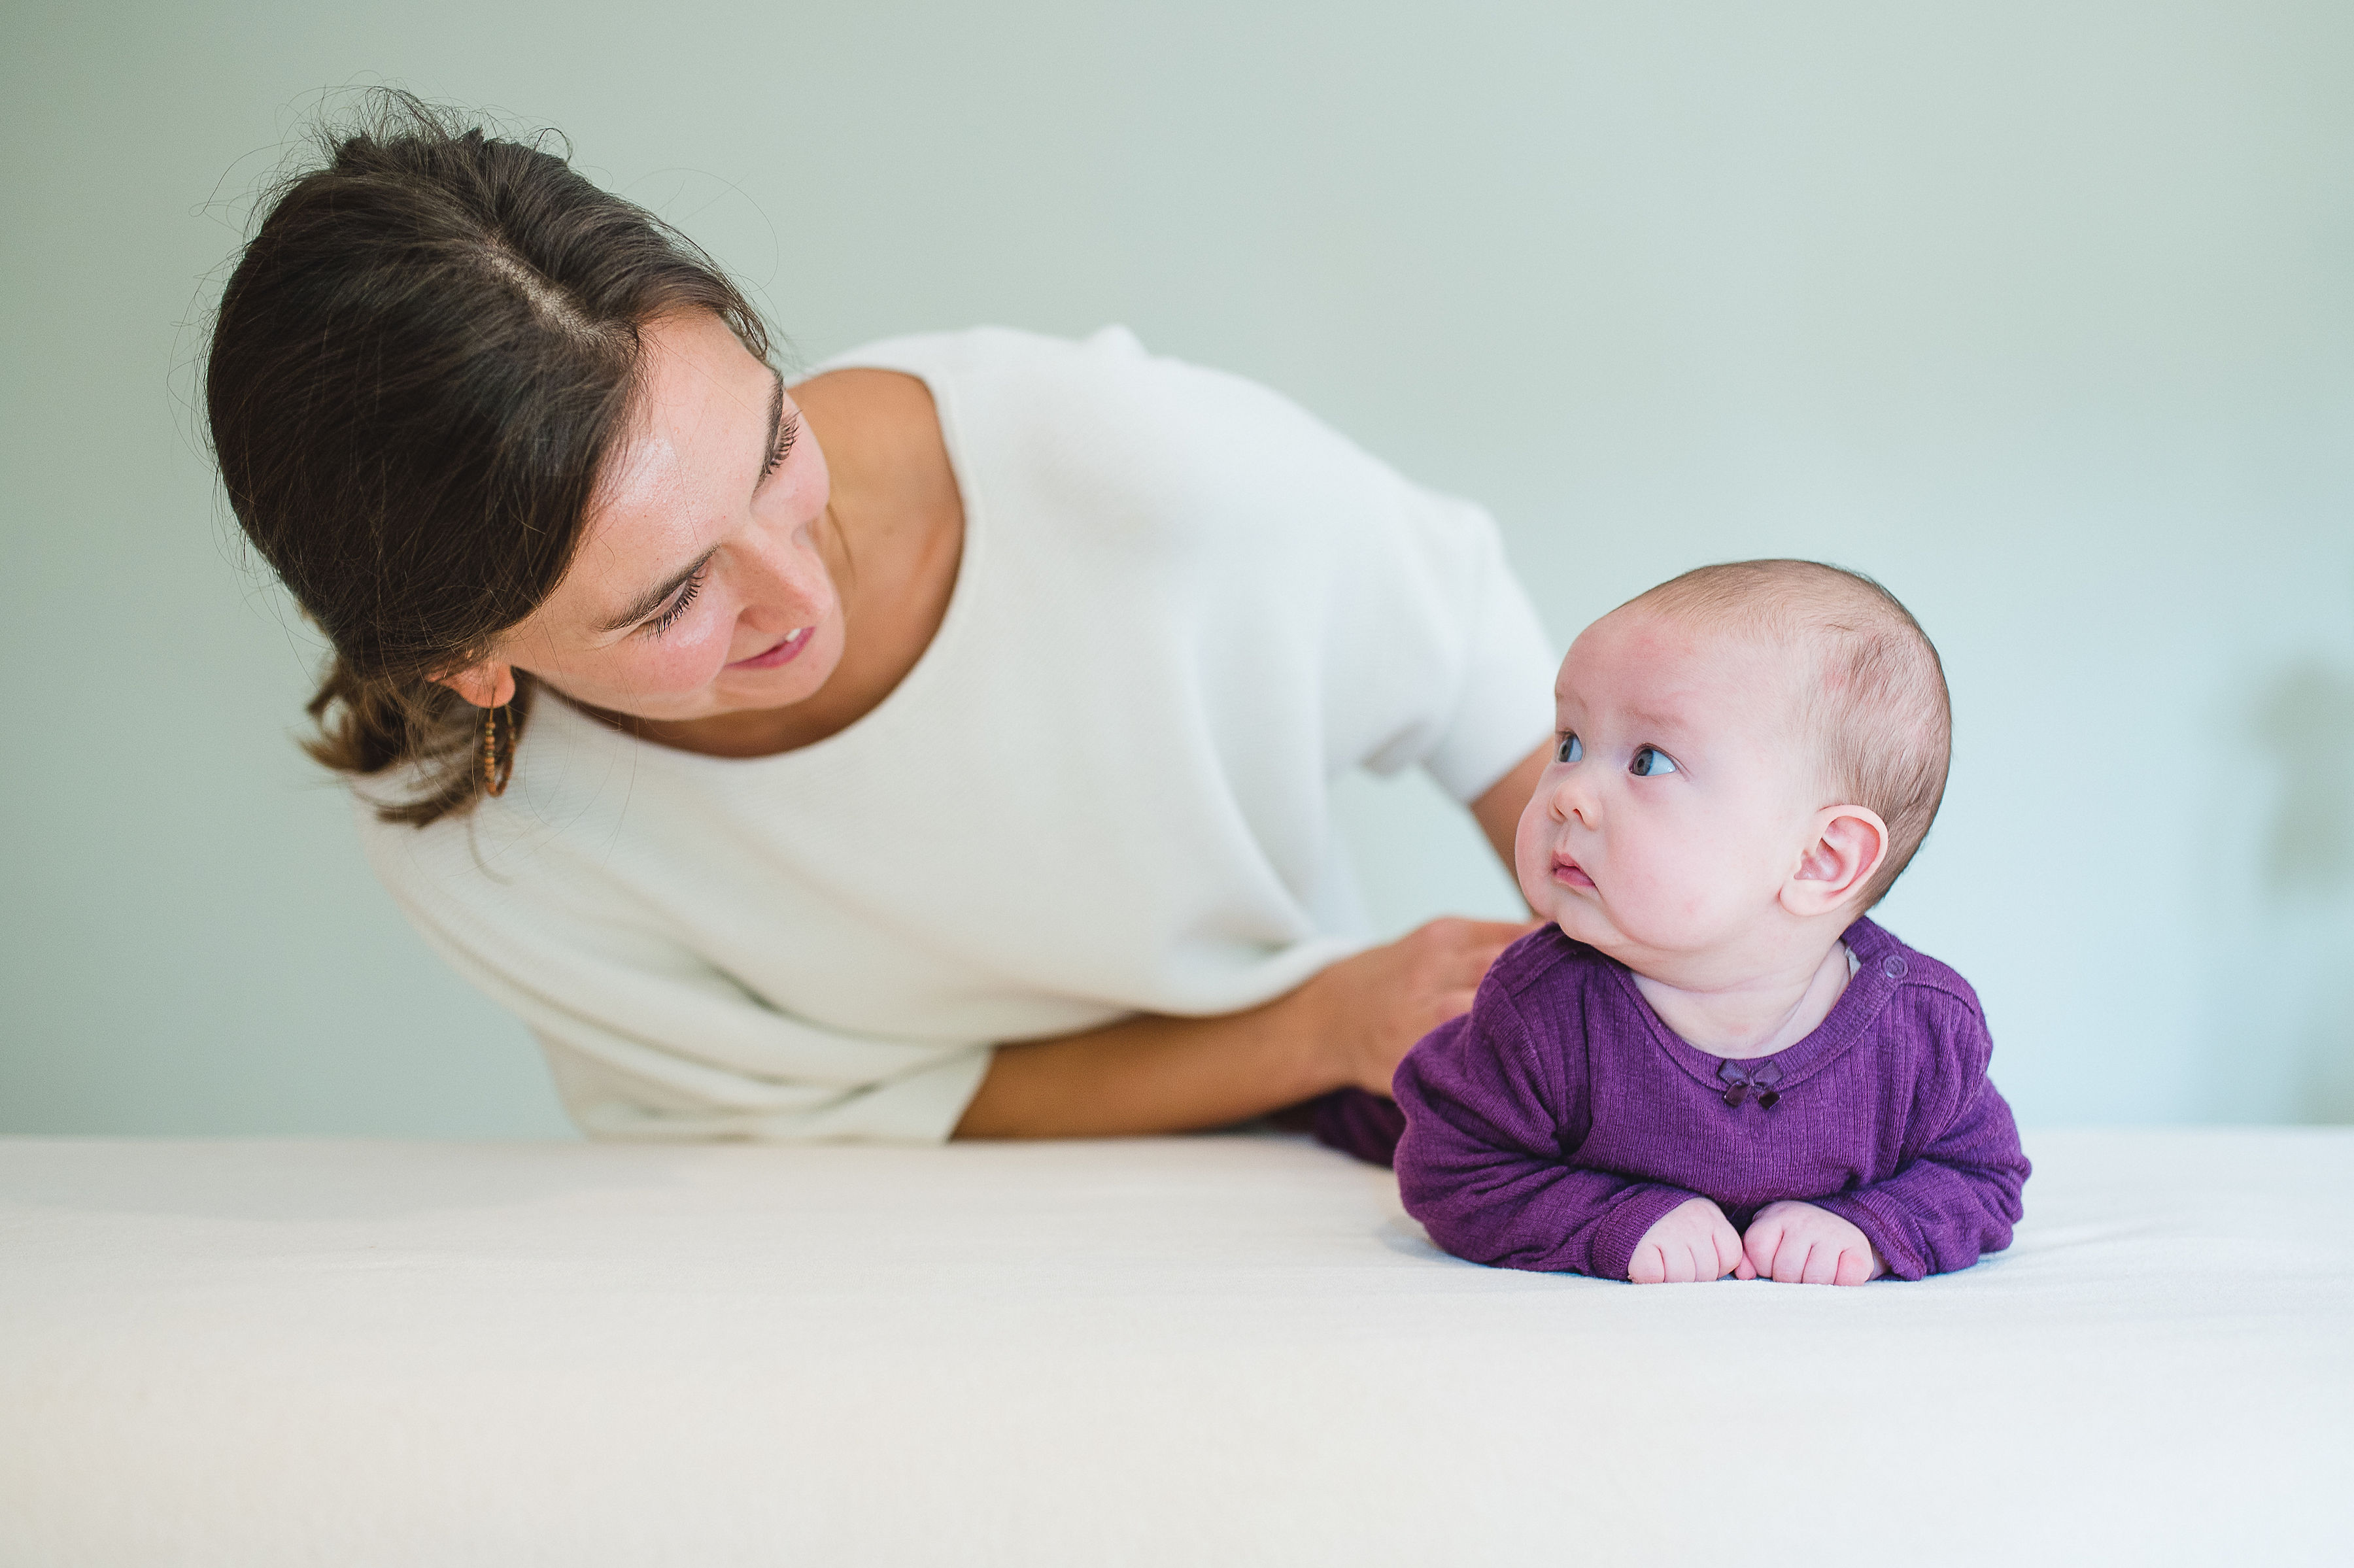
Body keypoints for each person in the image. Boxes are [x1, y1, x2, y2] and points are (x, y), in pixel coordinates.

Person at [203, 96, 1554, 1144]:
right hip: (905, 1277)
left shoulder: (1121, 468)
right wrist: (1320, 1022)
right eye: (673, 595)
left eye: (773, 445)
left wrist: (1661, 991)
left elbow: (1465, 645)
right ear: (470, 662)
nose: (801, 594)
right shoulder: (485, 846)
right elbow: (859, 1106)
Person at [1389, 560, 2029, 1283]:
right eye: (1569, 742)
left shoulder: (1921, 1033)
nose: (1571, 795)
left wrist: (1871, 1227)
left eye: (1649, 760)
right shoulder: (1541, 1008)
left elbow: (1983, 1177)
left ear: (1821, 858)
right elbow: (1450, 1167)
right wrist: (1611, 1217)